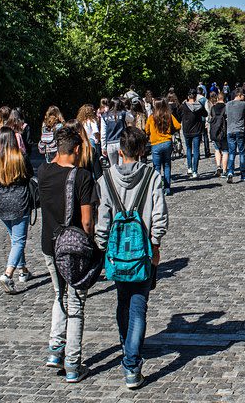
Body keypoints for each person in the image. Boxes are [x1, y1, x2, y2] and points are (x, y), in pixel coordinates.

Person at [96, 127, 168, 390]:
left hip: (117, 254)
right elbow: (159, 215)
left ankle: (127, 346)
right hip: (143, 251)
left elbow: (102, 219)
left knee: (122, 301)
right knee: (139, 305)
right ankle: (132, 364)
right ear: (141, 150)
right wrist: (156, 242)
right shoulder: (152, 176)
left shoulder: (106, 179)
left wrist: (102, 246)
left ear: (120, 150)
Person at [37, 127, 96, 383]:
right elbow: (86, 222)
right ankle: (72, 363)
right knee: (76, 305)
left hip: (49, 246)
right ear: (77, 149)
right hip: (73, 249)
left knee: (58, 296)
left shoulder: (42, 171)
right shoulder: (82, 177)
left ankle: (54, 350)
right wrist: (93, 245)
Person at [0, 127, 34, 294]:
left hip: (0, 203)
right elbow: (30, 174)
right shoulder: (19, 157)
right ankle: (8, 275)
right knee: (19, 240)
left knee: (14, 238)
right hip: (19, 202)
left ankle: (23, 270)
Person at [145, 98, 181, 196]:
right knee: (167, 165)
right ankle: (167, 188)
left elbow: (146, 130)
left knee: (156, 167)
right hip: (167, 143)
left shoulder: (151, 117)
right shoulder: (169, 115)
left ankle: (158, 188)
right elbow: (178, 126)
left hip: (155, 144)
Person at [177, 89, 207, 178]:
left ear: (188, 96)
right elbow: (205, 114)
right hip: (197, 130)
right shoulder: (199, 106)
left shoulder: (183, 106)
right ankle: (195, 171)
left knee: (189, 149)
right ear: (195, 96)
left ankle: (189, 168)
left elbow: (178, 114)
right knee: (196, 150)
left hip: (186, 130)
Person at [100, 98, 135, 167]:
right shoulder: (123, 113)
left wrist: (103, 147)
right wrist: (125, 109)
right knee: (122, 166)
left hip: (110, 143)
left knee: (113, 167)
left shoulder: (104, 116)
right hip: (121, 142)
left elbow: (103, 133)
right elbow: (132, 118)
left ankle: (114, 178)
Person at [225, 88, 245, 183]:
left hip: (230, 130)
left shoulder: (228, 104)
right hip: (240, 130)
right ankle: (243, 174)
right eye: (243, 95)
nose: (244, 96)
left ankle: (230, 171)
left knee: (232, 152)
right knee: (242, 153)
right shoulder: (243, 104)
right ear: (238, 95)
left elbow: (226, 115)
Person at [208, 92, 229, 177]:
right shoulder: (226, 107)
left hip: (215, 131)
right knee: (225, 151)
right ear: (224, 99)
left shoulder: (213, 108)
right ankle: (224, 170)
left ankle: (218, 166)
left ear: (217, 98)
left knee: (217, 150)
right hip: (224, 131)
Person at [196, 85, 211, 158]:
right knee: (205, 136)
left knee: (197, 137)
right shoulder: (204, 99)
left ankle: (197, 154)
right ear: (202, 92)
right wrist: (207, 121)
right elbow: (207, 110)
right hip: (202, 119)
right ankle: (207, 152)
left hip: (195, 120)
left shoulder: (194, 99)